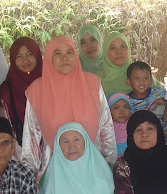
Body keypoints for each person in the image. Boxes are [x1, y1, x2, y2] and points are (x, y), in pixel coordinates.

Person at [21, 36, 116, 183]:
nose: (65, 58)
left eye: (69, 52)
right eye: (58, 53)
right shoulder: (37, 90)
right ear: (49, 59)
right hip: (55, 173)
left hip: (93, 168)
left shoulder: (92, 84)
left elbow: (106, 127)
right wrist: (29, 175)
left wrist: (109, 162)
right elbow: (32, 138)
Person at [113, 110, 167, 194]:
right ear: (131, 135)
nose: (144, 134)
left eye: (150, 128)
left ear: (158, 132)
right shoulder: (123, 165)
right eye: (138, 130)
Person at [38, 122, 114, 194]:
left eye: (76, 140)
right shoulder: (51, 178)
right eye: (65, 141)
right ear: (58, 147)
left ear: (86, 142)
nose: (71, 146)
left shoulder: (102, 172)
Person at [0, 37, 43, 161]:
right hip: (20, 153)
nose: (25, 59)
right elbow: (4, 124)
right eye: (19, 56)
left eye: (29, 54)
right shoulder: (6, 89)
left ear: (37, 54)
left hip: (52, 147)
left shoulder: (50, 82)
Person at [126, 61, 167, 143]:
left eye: (146, 78)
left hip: (163, 135)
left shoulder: (159, 93)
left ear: (151, 81)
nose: (142, 81)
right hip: (142, 138)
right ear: (129, 81)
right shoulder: (127, 101)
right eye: (137, 78)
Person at [108, 92, 131, 158]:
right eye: (116, 108)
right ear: (109, 111)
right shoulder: (107, 128)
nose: (122, 112)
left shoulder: (134, 124)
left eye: (125, 107)